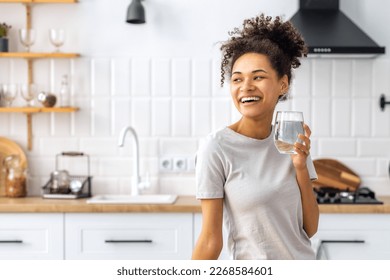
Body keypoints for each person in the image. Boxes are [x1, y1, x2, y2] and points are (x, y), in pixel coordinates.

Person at [191, 14, 319, 260]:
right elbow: (210, 241)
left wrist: (301, 167)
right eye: (237, 79)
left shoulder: (291, 140)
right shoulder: (216, 148)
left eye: (257, 77)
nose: (246, 86)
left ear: (283, 85)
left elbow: (309, 229)